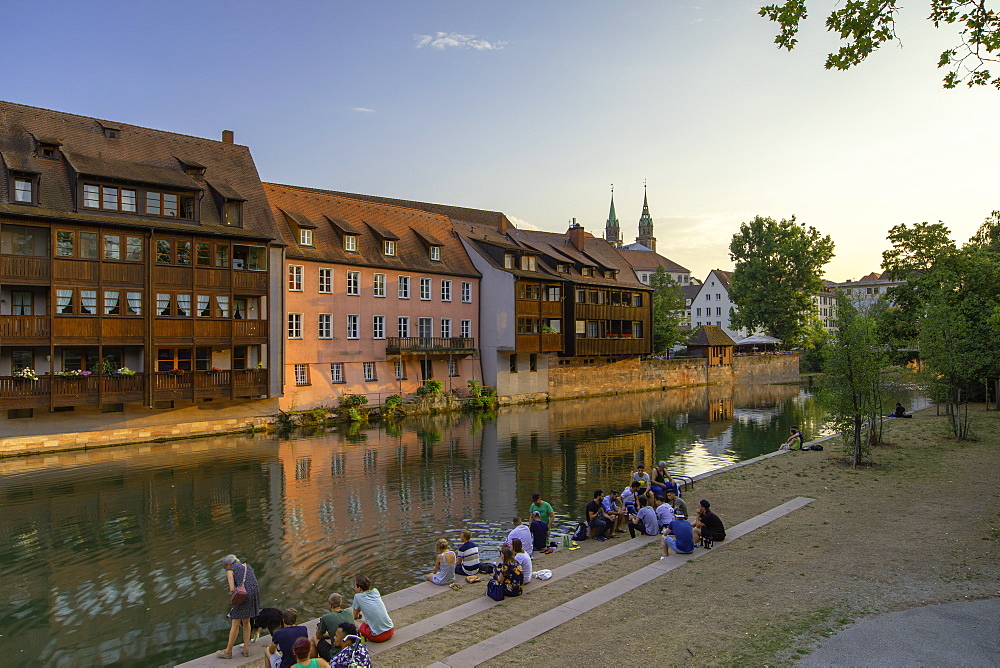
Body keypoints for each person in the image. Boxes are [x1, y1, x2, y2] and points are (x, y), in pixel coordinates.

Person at [216, 554, 261, 659]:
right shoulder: (247, 566)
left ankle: (228, 652)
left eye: (225, 567)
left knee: (235, 622)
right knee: (246, 621)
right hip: (255, 593)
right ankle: (246, 649)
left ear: (228, 564)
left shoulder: (230, 570)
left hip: (244, 595)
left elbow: (232, 589)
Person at [351, 574, 395, 642]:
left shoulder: (357, 597)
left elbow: (354, 617)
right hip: (391, 630)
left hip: (378, 636)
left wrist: (356, 617)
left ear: (359, 588)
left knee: (354, 621)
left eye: (355, 586)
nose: (354, 588)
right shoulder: (375, 591)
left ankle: (358, 639)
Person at [315, 593, 355, 661]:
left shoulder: (326, 617)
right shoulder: (349, 612)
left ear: (330, 604)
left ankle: (314, 664)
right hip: (351, 650)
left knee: (314, 639)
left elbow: (318, 636)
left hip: (335, 654)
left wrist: (329, 634)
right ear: (340, 603)